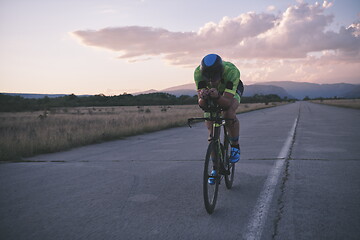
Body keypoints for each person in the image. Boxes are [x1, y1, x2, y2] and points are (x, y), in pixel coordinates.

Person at [194, 54, 244, 165]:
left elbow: (227, 103)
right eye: (208, 79)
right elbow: (202, 105)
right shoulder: (198, 73)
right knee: (211, 135)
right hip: (213, 92)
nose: (212, 81)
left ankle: (235, 146)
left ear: (220, 73)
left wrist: (217, 97)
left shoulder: (231, 71)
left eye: (215, 78)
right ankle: (215, 167)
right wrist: (203, 97)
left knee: (228, 112)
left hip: (231, 90)